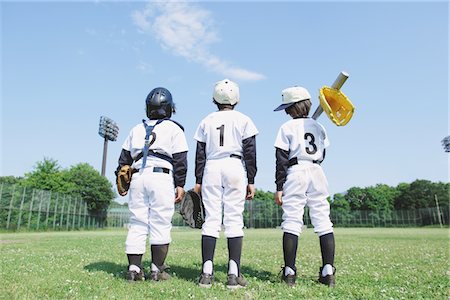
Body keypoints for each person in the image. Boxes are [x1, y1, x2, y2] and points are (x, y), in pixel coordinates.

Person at [115, 87, 188, 282]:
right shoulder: (174, 128)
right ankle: (157, 270)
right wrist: (180, 184)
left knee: (137, 222)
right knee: (160, 222)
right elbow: (180, 159)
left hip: (138, 176)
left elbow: (123, 160)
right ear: (169, 108)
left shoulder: (136, 129)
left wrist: (120, 176)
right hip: (161, 176)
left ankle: (134, 269)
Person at [193, 79, 258, 289]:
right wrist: (252, 179)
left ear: (214, 99)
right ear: (237, 99)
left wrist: (198, 180)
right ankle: (233, 273)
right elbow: (250, 153)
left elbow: (200, 154)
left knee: (211, 219)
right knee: (234, 219)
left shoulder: (206, 120)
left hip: (212, 166)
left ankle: (206, 272)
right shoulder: (244, 119)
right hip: (234, 165)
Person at [273, 86, 336, 287]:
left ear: (291, 108)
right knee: (323, 220)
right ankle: (328, 271)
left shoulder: (286, 128)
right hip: (316, 170)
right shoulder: (319, 127)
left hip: (296, 171)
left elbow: (281, 159)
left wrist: (279, 186)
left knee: (292, 220)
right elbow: (324, 154)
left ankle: (289, 271)